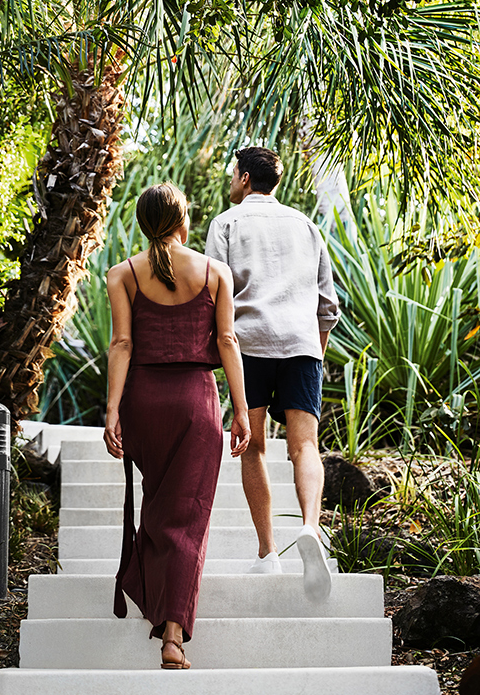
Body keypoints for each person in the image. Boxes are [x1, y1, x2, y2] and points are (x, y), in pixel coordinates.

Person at [104, 182, 250, 669]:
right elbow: (227, 341)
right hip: (195, 403)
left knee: (163, 505)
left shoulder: (121, 274)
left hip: (143, 403)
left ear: (144, 224)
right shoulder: (215, 273)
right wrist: (243, 411)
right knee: (187, 515)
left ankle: (155, 599)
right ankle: (173, 637)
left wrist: (111, 411)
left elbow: (121, 345)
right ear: (184, 221)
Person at [205, 146, 340, 602]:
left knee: (254, 445)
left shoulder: (226, 223)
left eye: (232, 176)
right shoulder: (306, 226)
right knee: (305, 445)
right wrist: (312, 354)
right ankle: (309, 527)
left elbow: (215, 293)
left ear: (244, 178)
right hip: (302, 345)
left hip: (249, 346)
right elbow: (328, 305)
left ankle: (267, 553)